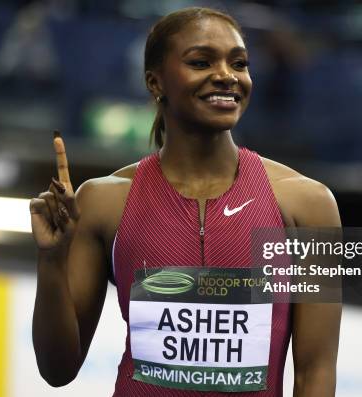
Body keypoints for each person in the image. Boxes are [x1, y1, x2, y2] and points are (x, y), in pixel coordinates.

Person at [30, 7, 341, 397]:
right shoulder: (104, 201)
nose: (227, 75)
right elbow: (57, 370)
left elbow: (315, 373)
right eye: (201, 61)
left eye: (239, 63)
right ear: (155, 82)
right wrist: (52, 260)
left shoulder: (308, 204)